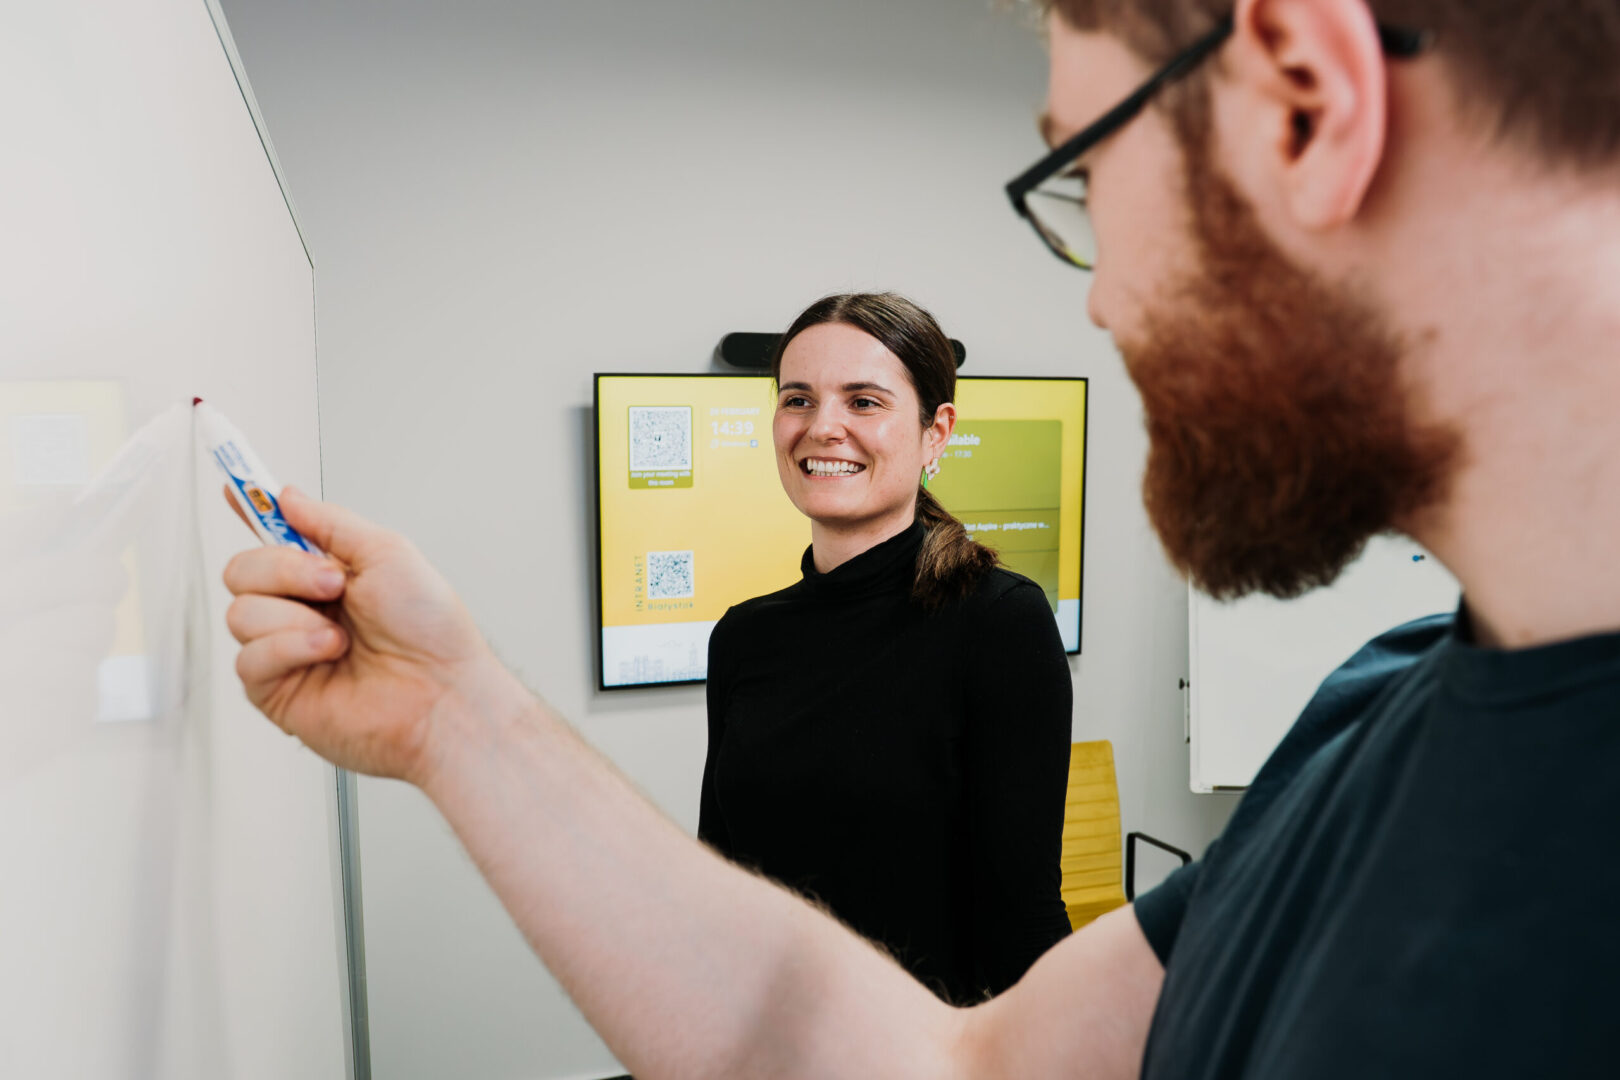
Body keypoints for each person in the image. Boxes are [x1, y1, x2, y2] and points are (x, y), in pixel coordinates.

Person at [222, 0, 1620, 1076]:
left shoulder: (1004, 627)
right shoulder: (1367, 728)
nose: (1104, 303)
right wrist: (455, 719)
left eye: (1083, 176)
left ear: (1306, 100)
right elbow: (960, 1058)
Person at [699, 292, 1073, 1005]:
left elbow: (1021, 915)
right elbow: (723, 884)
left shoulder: (999, 622)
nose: (823, 427)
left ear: (937, 432)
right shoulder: (744, 636)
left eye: (864, 402)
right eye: (798, 399)